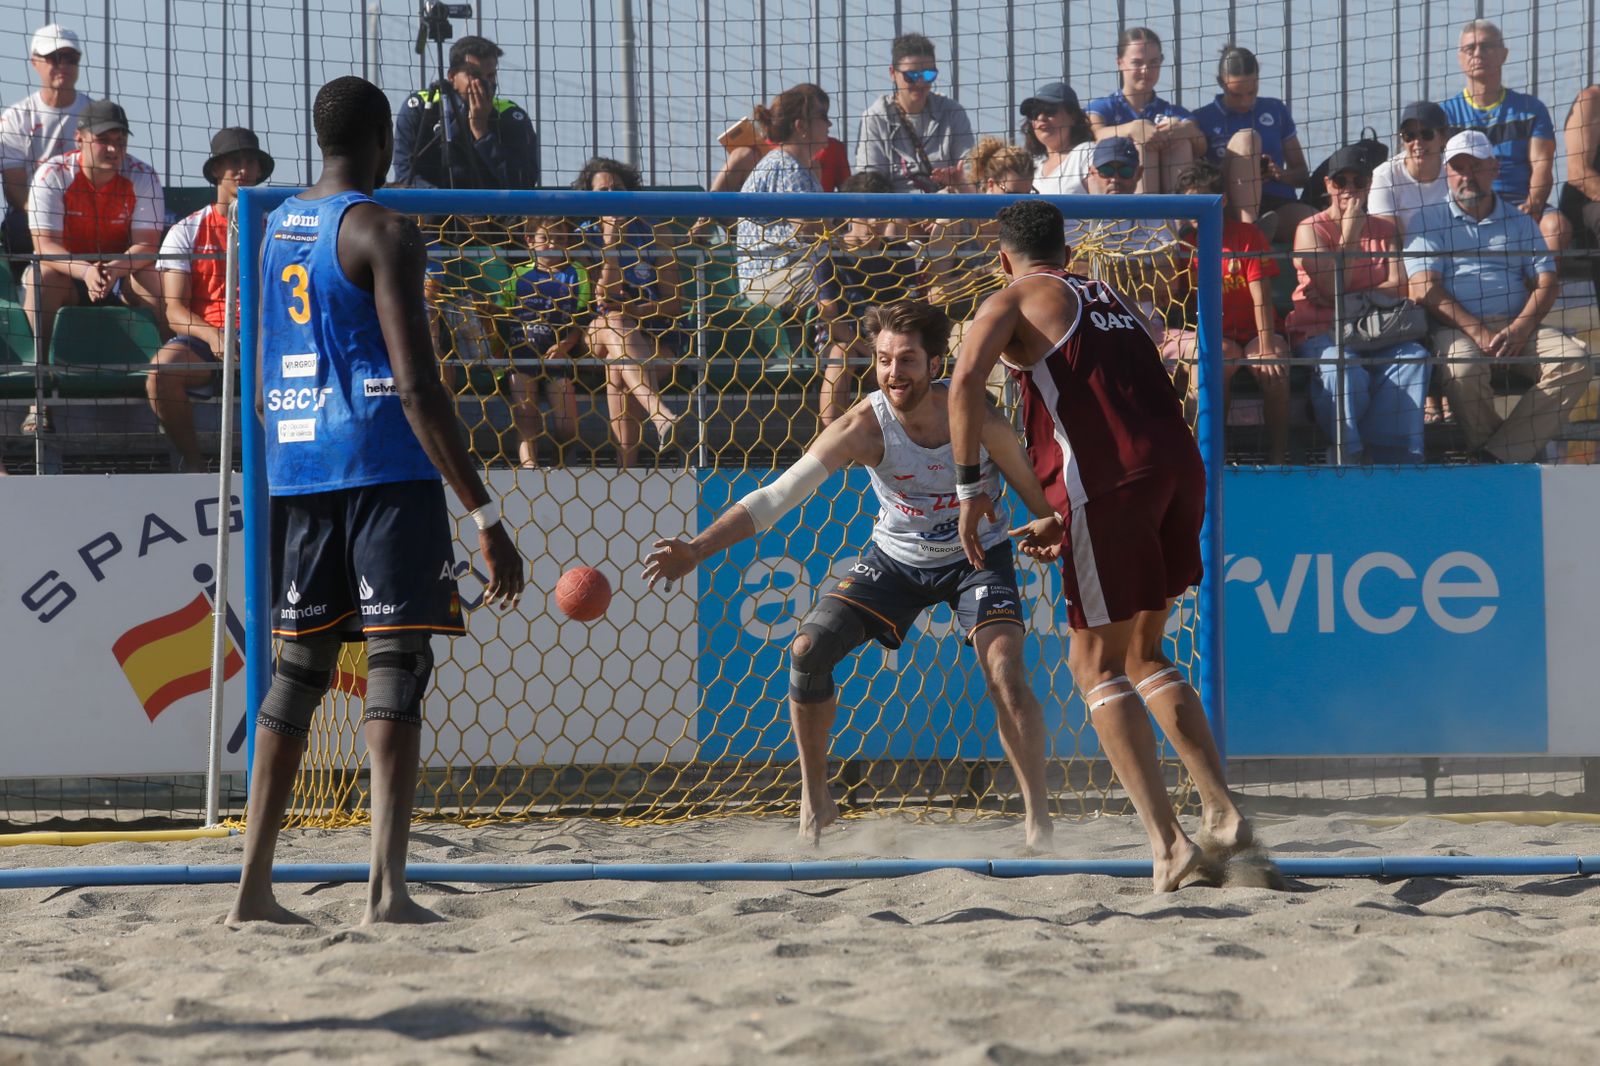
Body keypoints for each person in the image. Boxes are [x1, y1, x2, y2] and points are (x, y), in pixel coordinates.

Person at [229, 75, 524, 926]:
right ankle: (387, 891)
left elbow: (254, 386)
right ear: (385, 143)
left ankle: (252, 889)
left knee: (297, 675)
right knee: (397, 664)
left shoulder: (274, 228)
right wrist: (485, 515)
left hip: (296, 469)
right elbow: (419, 388)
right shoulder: (385, 230)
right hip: (384, 467)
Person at [644, 299, 1062, 849]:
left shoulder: (977, 414)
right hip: (895, 559)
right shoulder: (863, 425)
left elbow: (1034, 497)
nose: (894, 372)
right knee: (806, 650)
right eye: (884, 359)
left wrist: (1044, 528)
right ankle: (816, 803)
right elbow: (775, 498)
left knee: (1005, 670)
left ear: (935, 364)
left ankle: (1038, 820)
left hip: (976, 557)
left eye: (907, 360)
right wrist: (697, 550)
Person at [948, 198, 1255, 894]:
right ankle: (1223, 813)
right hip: (1179, 473)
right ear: (1068, 247)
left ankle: (1169, 843)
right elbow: (1110, 400)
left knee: (1093, 665)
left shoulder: (1014, 297)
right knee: (1145, 652)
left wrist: (971, 488)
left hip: (1113, 486)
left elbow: (964, 379)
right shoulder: (1109, 294)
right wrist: (1065, 509)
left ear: (1003, 257)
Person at [1406, 131, 1593, 464]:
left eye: (1475, 166)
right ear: (1447, 173)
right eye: (1458, 167)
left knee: (1575, 359)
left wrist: (1520, 330)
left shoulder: (1520, 221)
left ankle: (1494, 457)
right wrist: (1477, 331)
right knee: (1463, 368)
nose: (1466, 176)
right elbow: (1423, 287)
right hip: (1456, 328)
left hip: (1517, 325)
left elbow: (1547, 282)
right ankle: (1505, 452)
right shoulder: (1428, 219)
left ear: (1494, 168)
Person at [25, 99, 165, 433]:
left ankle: (169, 391)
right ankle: (38, 398)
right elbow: (44, 246)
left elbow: (147, 246)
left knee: (160, 281)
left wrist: (112, 270)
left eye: (121, 140)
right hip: (68, 275)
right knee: (39, 280)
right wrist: (86, 271)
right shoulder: (52, 174)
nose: (114, 148)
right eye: (105, 139)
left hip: (120, 275)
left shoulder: (142, 175)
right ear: (80, 139)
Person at [1288, 146, 1429, 465]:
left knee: (1414, 357)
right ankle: (1349, 452)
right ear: (1327, 185)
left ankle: (1391, 456)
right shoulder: (1310, 229)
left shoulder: (1385, 229)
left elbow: (1399, 287)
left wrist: (1340, 296)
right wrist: (1349, 235)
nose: (1349, 190)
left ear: (1369, 185)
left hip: (1378, 331)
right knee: (1342, 367)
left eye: (1358, 181)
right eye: (1341, 181)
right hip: (1323, 331)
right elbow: (1329, 287)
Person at [145, 127, 274, 472]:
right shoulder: (186, 230)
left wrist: (262, 332)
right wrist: (214, 335)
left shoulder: (275, 227)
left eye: (250, 162)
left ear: (260, 171)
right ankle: (195, 464)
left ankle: (281, 463)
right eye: (234, 162)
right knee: (160, 373)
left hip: (266, 337)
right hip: (205, 338)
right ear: (216, 170)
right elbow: (173, 309)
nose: (244, 169)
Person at [1162, 162, 1290, 463]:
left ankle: (1280, 457)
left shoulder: (1247, 236)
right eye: (1189, 203)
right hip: (1218, 334)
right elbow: (1179, 297)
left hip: (1259, 332)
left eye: (1202, 201)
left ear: (1221, 200)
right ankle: (1214, 459)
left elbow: (1262, 296)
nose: (1196, 212)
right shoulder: (1185, 245)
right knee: (1212, 370)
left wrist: (1269, 346)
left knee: (1275, 373)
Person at [575, 156, 685, 467]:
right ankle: (658, 412)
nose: (612, 195)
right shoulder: (584, 236)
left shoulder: (656, 232)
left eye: (617, 188)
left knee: (618, 368)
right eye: (602, 191)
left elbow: (674, 303)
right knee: (613, 321)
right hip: (598, 331)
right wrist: (611, 244)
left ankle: (628, 467)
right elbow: (602, 298)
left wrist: (635, 310)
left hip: (656, 335)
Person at [1437, 19, 1566, 251]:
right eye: (1470, 48)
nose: (1478, 54)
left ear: (1503, 54)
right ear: (1459, 57)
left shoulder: (1531, 109)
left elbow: (1542, 167)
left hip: (1519, 203)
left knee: (1556, 227)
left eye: (1486, 47)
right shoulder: (1444, 115)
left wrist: (1534, 204)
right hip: (1466, 203)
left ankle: (1538, 287)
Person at [1192, 45, 1313, 242]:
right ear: (1221, 83)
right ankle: (1250, 231)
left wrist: (1278, 173)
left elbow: (1301, 174)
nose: (1245, 102)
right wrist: (1241, 170)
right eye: (1236, 94)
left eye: (1252, 92)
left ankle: (1259, 233)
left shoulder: (1275, 110)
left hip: (1277, 204)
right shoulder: (1203, 118)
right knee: (1247, 138)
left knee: (1316, 225)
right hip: (1229, 204)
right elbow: (1196, 179)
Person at [495, 216, 586, 468]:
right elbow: (501, 316)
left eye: (559, 239)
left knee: (567, 425)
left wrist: (565, 346)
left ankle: (558, 463)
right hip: (522, 354)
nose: (551, 244)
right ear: (530, 241)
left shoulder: (576, 273)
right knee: (526, 415)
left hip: (556, 355)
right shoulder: (518, 275)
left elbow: (581, 319)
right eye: (544, 238)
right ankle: (529, 467)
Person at [393, 34, 539, 190]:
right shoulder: (422, 108)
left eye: (490, 76)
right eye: (474, 75)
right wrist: (444, 201)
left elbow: (523, 181)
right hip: (435, 209)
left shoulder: (511, 116)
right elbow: (405, 175)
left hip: (493, 211)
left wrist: (482, 132)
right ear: (452, 77)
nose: (484, 84)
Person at [1061, 137, 1182, 324]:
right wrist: (1140, 272)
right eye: (1106, 170)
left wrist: (1101, 275)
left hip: (1146, 327)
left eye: (1125, 171)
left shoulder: (1155, 214)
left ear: (1139, 173)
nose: (1115, 179)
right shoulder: (1073, 216)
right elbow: (1072, 279)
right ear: (1092, 171)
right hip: (1087, 326)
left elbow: (1167, 284)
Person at [0, 24, 91, 259]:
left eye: (71, 58)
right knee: (16, 229)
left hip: (90, 212)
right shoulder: (16, 117)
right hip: (31, 214)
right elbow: (15, 188)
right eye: (54, 58)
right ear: (35, 62)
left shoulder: (94, 114)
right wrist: (48, 217)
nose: (63, 65)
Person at [736, 84, 831, 308]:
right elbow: (809, 228)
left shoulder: (798, 165)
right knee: (840, 284)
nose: (829, 124)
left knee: (847, 277)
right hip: (769, 278)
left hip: (793, 271)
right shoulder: (784, 164)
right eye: (823, 116)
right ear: (801, 126)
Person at [1084, 27, 1207, 194]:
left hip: (1168, 186)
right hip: (1115, 190)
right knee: (1141, 144)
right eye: (1137, 63)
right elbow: (1096, 134)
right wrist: (1132, 129)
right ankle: (1144, 216)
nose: (1145, 70)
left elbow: (1201, 146)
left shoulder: (1172, 111)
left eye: (1153, 62)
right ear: (1119, 62)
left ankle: (1179, 217)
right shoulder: (1101, 107)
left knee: (1183, 142)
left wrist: (1186, 130)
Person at [855, 32, 975, 193]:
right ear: (892, 73)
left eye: (928, 75)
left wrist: (959, 182)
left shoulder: (952, 112)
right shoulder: (875, 118)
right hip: (895, 212)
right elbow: (870, 183)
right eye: (911, 76)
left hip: (946, 208)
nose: (920, 82)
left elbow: (970, 172)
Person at [1368, 102, 1451, 238]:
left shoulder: (1456, 170)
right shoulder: (1385, 176)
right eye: (1409, 135)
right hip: (1404, 255)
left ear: (1443, 138)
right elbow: (1388, 238)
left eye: (1426, 134)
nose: (1417, 142)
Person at [1020, 82, 1095, 197]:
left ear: (1073, 115)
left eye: (1050, 110)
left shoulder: (1087, 153)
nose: (1041, 118)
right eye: (1034, 113)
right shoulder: (1032, 165)